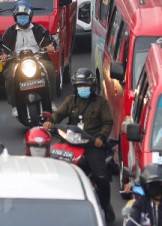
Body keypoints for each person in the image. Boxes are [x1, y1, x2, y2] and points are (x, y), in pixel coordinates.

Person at [43, 68, 115, 223]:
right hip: (70, 141)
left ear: (92, 87)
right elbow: (58, 114)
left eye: (85, 85)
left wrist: (100, 138)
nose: (83, 88)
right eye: (80, 85)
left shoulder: (101, 103)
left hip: (92, 145)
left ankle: (106, 204)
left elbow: (108, 123)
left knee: (101, 178)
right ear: (75, 87)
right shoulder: (70, 101)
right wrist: (51, 121)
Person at [0, 0, 56, 115]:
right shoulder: (9, 32)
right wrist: (3, 54)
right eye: (19, 16)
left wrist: (50, 46)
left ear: (30, 16)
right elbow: (2, 47)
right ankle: (14, 105)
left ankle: (50, 101)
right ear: (15, 17)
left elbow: (51, 41)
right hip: (17, 61)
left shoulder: (40, 29)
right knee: (9, 74)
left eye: (24, 16)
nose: (22, 18)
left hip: (38, 58)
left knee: (49, 69)